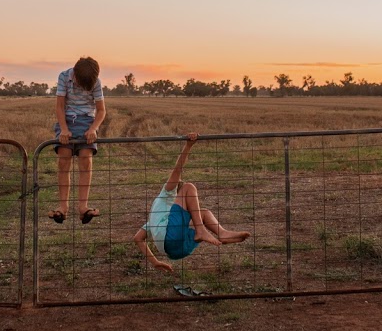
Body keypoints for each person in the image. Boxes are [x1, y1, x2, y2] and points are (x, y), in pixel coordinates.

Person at [133, 133, 251, 272]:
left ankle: (222, 233)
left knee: (203, 213)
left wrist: (155, 262)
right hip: (174, 241)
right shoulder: (167, 194)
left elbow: (138, 238)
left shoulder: (156, 220)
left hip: (176, 251)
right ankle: (202, 231)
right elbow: (178, 169)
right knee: (190, 187)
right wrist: (188, 146)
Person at [48, 56, 106, 224]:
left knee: (85, 161)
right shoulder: (64, 77)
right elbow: (59, 106)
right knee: (64, 161)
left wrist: (93, 129)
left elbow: (101, 110)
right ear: (75, 74)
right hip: (66, 119)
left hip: (87, 120)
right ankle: (63, 207)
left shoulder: (96, 81)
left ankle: (83, 207)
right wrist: (64, 129)